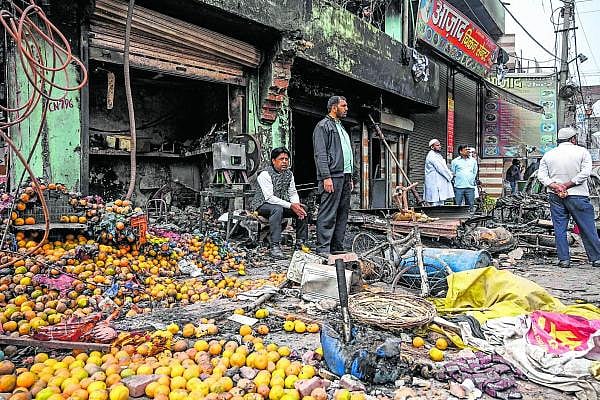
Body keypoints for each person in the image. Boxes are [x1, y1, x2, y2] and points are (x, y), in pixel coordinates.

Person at [537, 127, 600, 268]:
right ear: (573, 139)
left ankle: (564, 260)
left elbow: (541, 176)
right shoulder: (582, 152)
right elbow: (586, 172)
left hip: (555, 195)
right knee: (587, 227)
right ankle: (596, 258)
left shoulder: (548, 155)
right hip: (578, 195)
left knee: (559, 228)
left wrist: (555, 186)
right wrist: (568, 184)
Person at [312, 95, 354, 256]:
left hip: (345, 176)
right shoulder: (323, 126)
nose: (346, 108)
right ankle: (323, 248)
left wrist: (351, 177)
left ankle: (336, 246)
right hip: (332, 176)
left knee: (342, 213)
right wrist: (326, 177)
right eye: (343, 106)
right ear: (334, 107)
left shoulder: (341, 127)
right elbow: (320, 154)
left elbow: (348, 153)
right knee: (328, 212)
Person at [251, 147, 308, 258]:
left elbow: (292, 192)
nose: (284, 162)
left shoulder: (289, 174)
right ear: (273, 161)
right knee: (277, 209)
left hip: (280, 205)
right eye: (281, 159)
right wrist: (291, 205)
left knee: (303, 208)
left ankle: (300, 243)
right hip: (262, 205)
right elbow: (269, 198)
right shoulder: (265, 174)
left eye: (286, 159)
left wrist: (296, 205)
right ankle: (275, 246)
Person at [423, 139, 454, 206]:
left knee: (440, 204)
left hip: (439, 184)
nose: (440, 146)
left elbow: (444, 167)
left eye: (440, 145)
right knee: (434, 204)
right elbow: (441, 169)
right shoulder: (432, 156)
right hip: (434, 184)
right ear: (432, 147)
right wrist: (450, 176)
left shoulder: (438, 155)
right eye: (437, 145)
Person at [451, 144, 478, 209]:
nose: (468, 151)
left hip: (470, 187)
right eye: (466, 149)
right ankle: (457, 219)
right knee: (457, 207)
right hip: (458, 187)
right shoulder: (455, 161)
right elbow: (453, 173)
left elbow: (475, 172)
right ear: (461, 151)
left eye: (468, 149)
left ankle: (469, 219)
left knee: (470, 207)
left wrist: (471, 180)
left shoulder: (473, 161)